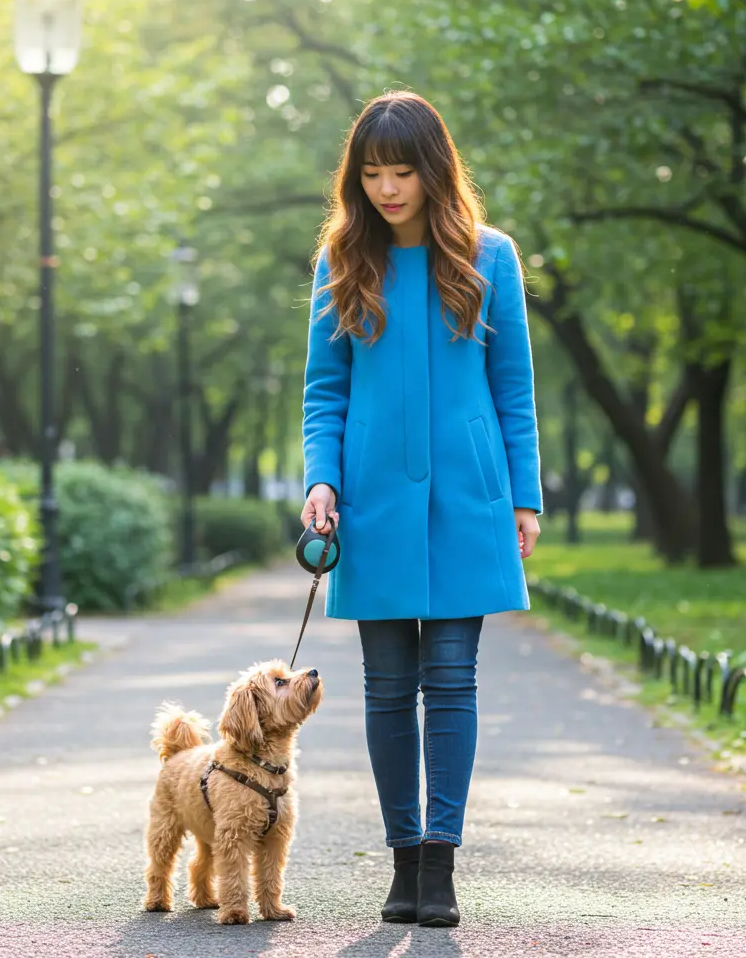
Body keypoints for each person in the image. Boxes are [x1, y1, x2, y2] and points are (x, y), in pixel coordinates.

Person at [299, 91, 542, 928]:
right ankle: (402, 859)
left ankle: (440, 863)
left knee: (452, 680)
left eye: (402, 171)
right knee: (385, 688)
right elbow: (323, 393)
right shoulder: (342, 261)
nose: (388, 188)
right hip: (369, 501)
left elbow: (515, 391)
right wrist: (319, 480)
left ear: (433, 170)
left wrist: (524, 497)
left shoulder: (490, 257)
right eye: (372, 173)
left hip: (470, 503)